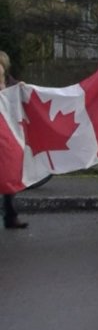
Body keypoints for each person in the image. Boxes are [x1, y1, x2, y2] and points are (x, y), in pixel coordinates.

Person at [0, 52, 27, 229]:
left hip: (8, 135)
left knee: (8, 173)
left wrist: (23, 88)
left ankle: (11, 216)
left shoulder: (11, 83)